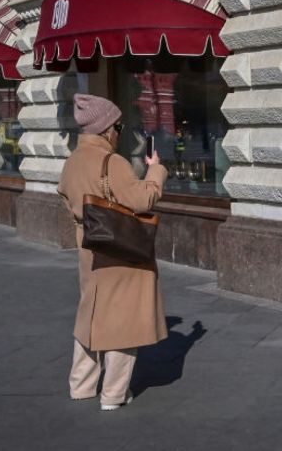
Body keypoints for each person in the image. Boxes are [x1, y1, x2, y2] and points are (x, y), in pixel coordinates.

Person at [57, 93, 169, 411]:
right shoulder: (112, 162)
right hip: (119, 251)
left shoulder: (72, 161)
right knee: (122, 321)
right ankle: (113, 395)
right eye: (118, 125)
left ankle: (81, 386)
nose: (120, 131)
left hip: (89, 248)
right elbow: (141, 200)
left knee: (90, 316)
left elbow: (67, 199)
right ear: (107, 129)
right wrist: (155, 172)